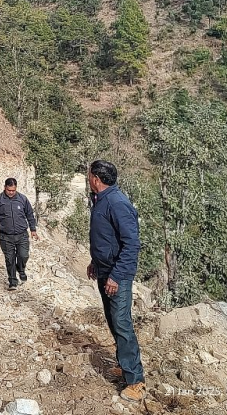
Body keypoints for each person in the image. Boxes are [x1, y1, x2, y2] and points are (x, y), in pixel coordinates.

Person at [86, 160, 146, 402]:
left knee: (121, 323)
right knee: (113, 320)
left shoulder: (117, 203)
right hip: (105, 270)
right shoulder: (101, 199)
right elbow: (106, 238)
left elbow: (132, 245)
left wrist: (116, 276)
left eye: (89, 175)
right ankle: (125, 364)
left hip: (116, 275)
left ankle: (136, 381)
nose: (88, 179)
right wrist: (95, 262)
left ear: (96, 178)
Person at [0, 178, 39, 290]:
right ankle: (12, 282)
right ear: (4, 188)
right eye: (9, 190)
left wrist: (33, 230)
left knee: (23, 255)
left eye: (13, 190)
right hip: (6, 236)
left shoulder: (23, 199)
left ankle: (21, 269)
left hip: (22, 235)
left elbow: (30, 215)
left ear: (16, 188)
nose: (11, 192)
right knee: (10, 259)